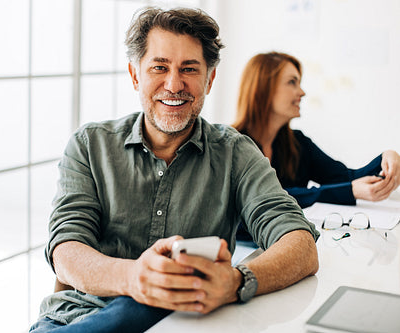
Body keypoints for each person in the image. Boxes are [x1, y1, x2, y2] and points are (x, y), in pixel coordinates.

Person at [30, 8, 319, 333]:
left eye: (189, 69)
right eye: (159, 67)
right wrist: (134, 278)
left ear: (209, 80)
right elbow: (66, 249)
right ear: (135, 75)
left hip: (186, 322)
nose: (173, 83)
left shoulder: (236, 153)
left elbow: (300, 244)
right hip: (79, 318)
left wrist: (237, 280)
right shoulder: (89, 145)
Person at [232, 51, 400, 210]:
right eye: (292, 82)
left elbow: (347, 179)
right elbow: (265, 198)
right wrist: (347, 191)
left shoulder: (298, 144)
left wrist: (386, 159)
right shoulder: (231, 145)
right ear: (264, 88)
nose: (302, 92)